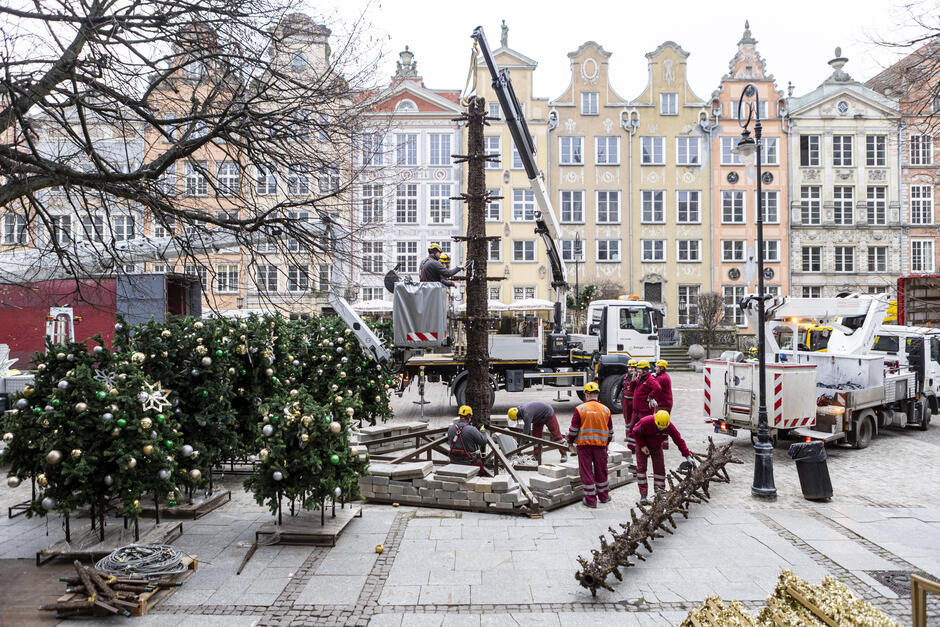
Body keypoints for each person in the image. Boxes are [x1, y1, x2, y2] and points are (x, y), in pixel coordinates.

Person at [631, 410, 695, 505]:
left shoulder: (669, 426)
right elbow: (635, 432)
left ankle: (660, 493)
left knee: (660, 470)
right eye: (659, 427)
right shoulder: (646, 422)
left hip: (656, 447)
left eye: (663, 428)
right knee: (641, 470)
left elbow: (678, 440)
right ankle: (643, 495)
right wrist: (642, 445)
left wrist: (687, 456)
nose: (661, 429)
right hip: (642, 446)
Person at [566, 381, 613, 508]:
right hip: (601, 447)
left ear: (586, 395)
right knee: (601, 471)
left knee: (586, 472)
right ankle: (604, 496)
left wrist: (570, 441)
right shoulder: (606, 410)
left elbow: (573, 430)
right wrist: (606, 444)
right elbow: (610, 432)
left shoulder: (580, 409)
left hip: (584, 447)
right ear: (597, 395)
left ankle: (591, 500)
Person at [448, 405, 487, 470]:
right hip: (469, 462)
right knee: (481, 468)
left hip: (454, 461)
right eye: (471, 416)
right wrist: (482, 430)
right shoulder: (471, 429)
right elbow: (483, 441)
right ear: (469, 416)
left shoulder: (451, 428)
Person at [621, 359, 639, 449]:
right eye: (629, 367)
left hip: (635, 401)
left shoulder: (639, 378)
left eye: (632, 367)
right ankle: (629, 439)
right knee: (627, 421)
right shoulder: (624, 377)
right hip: (625, 401)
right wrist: (615, 398)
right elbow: (619, 387)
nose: (631, 369)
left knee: (635, 421)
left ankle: (635, 441)